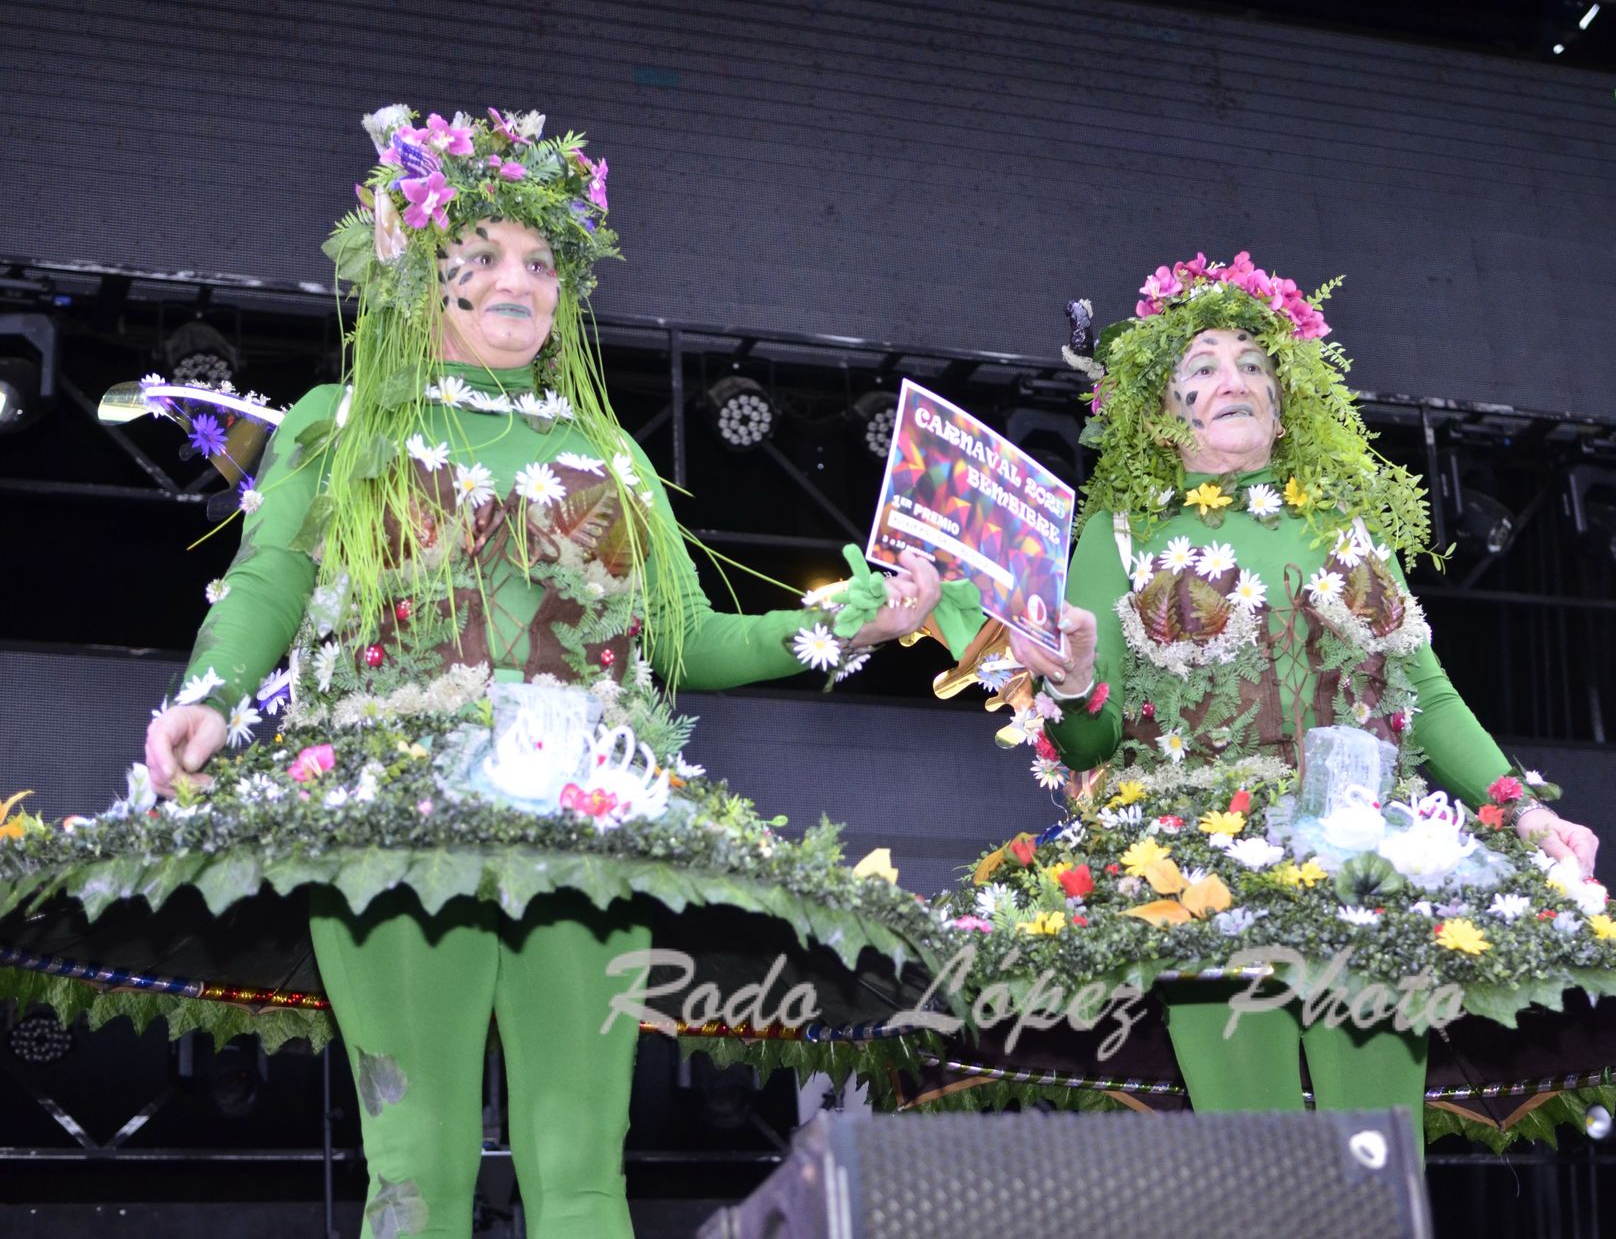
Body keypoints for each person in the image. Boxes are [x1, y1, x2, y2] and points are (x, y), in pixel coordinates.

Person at [0, 106, 972, 1239]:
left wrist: (848, 624)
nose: (521, 280)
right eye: (485, 258)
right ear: (418, 268)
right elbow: (266, 582)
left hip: (591, 823)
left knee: (583, 1171)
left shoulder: (608, 453)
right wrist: (207, 698)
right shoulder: (343, 418)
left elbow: (686, 640)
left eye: (541, 261)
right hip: (394, 820)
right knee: (417, 1161)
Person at [933, 251, 1616, 1147]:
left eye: (1254, 364)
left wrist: (1524, 813)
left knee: (1379, 1159)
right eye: (1204, 366)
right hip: (1202, 880)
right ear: (1158, 410)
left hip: (1365, 862)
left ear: (1284, 396)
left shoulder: (1343, 528)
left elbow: (1425, 690)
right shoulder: (1116, 539)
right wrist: (1072, 683)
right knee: (1255, 1160)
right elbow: (1089, 742)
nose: (1236, 380)